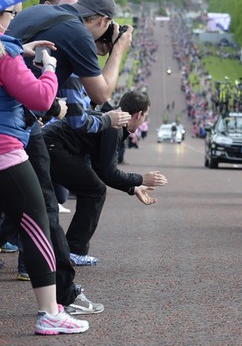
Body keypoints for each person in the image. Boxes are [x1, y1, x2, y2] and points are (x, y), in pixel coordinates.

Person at [0, 24, 88, 334]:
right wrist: (50, 67)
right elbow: (40, 98)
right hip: (5, 151)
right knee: (38, 228)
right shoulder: (4, 55)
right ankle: (51, 312)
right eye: (12, 13)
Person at [44, 91, 168, 266]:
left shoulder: (113, 121)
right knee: (95, 190)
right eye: (145, 116)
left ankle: (72, 249)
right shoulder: (114, 127)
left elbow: (100, 168)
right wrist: (140, 179)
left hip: (51, 144)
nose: (143, 121)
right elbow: (107, 173)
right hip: (52, 147)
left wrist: (133, 188)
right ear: (138, 114)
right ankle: (74, 250)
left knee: (27, 200)